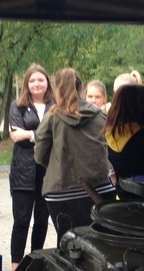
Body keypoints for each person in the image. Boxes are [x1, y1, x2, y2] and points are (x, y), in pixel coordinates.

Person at [34, 67, 116, 242]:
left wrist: (56, 164)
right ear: (81, 88)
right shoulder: (100, 115)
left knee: (67, 243)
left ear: (57, 89)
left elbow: (39, 155)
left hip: (61, 191)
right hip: (100, 188)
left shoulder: (52, 117)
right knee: (101, 242)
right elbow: (112, 148)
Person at [8, 64, 54, 271]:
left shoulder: (56, 106)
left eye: (40, 80)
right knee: (21, 221)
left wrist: (29, 134)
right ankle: (16, 268)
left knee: (42, 220)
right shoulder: (17, 106)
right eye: (32, 80)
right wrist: (40, 136)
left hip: (48, 171)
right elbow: (18, 138)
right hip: (23, 171)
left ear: (47, 82)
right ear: (27, 84)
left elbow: (57, 135)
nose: (36, 84)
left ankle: (35, 263)